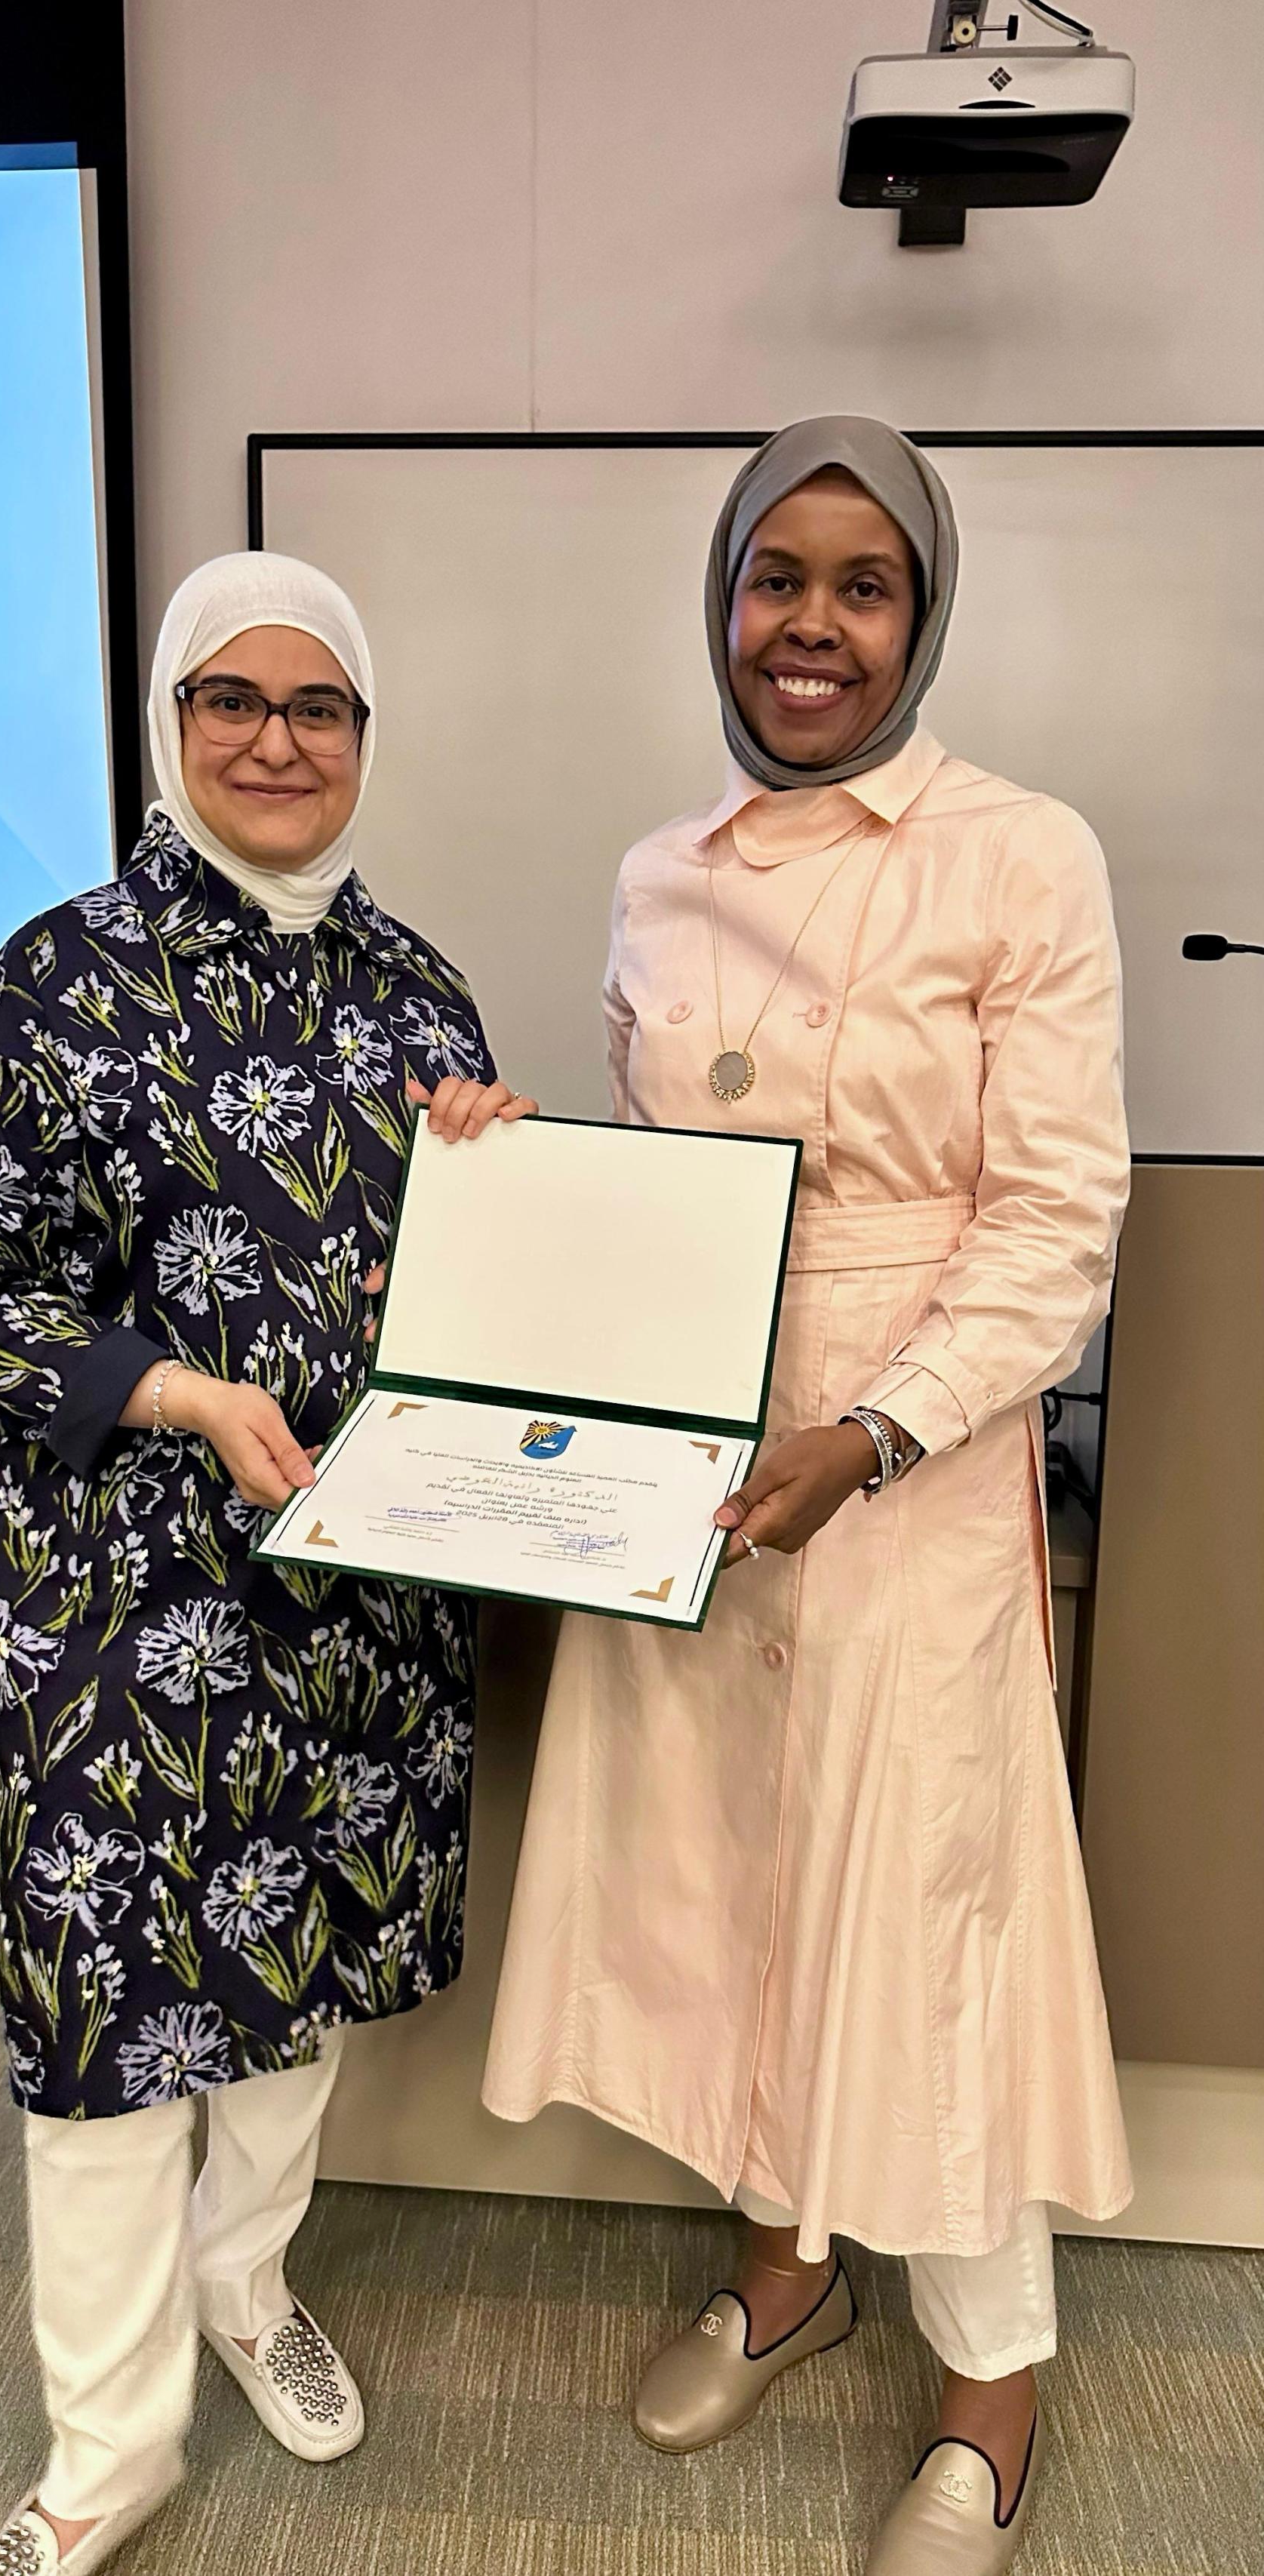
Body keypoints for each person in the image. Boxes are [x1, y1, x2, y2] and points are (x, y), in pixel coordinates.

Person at [483, 419, 1132, 2574]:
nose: (815, 626)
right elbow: (654, 1181)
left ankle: (990, 2385)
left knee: (927, 1907)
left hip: (911, 1459)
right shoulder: (660, 867)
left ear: (921, 617)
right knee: (729, 1871)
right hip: (699, 1444)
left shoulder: (1020, 855)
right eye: (781, 578)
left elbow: (1056, 1221)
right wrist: (510, 1174)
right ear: (725, 602)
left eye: (866, 585)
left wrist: (877, 1431)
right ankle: (786, 2269)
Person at [0, 551, 535, 2576]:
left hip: (362, 1589)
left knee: (301, 1956)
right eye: (231, 701)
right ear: (172, 725)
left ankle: (247, 2280)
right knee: (106, 2017)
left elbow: (472, 1298)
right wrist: (172, 1391)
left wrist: (504, 1180)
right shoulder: (55, 978)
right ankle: (109, 2454)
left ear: (361, 737)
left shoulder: (421, 990)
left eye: (316, 705)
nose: (275, 740)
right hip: (122, 1598)